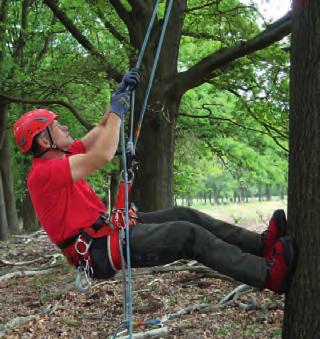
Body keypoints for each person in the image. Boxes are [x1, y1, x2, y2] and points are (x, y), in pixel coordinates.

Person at [13, 69, 296, 294]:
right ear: (43, 139)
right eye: (56, 126)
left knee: (182, 213)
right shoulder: (42, 174)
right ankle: (267, 275)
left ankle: (260, 245)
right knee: (187, 234)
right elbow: (102, 154)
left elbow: (100, 131)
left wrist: (117, 99)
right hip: (98, 250)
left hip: (104, 234)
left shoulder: (62, 156)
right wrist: (119, 113)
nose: (64, 127)